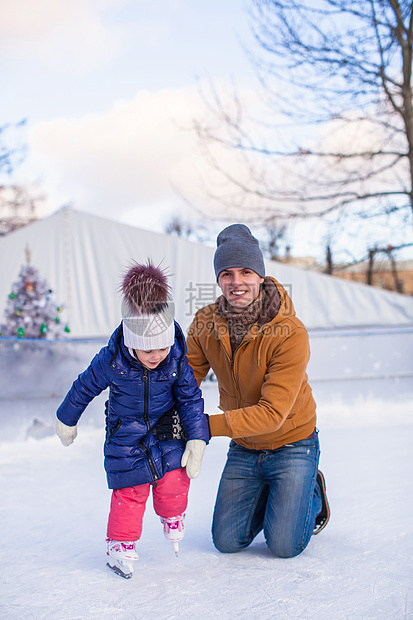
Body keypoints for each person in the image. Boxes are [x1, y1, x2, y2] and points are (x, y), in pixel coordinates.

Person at [156, 224, 330, 558]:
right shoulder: (206, 321)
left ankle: (310, 490)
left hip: (293, 443)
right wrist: (146, 403)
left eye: (246, 271)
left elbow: (272, 413)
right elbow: (185, 378)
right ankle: (276, 494)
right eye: (227, 273)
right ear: (219, 280)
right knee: (227, 541)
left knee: (284, 546)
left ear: (261, 276)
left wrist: (203, 426)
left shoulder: (289, 332)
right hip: (246, 447)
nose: (237, 282)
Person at [55, 261, 210, 578]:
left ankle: (172, 514)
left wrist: (196, 436)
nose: (156, 356)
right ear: (130, 342)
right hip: (125, 435)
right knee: (131, 489)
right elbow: (84, 387)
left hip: (167, 430)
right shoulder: (112, 360)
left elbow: (191, 398)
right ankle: (120, 544)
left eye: (162, 347)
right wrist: (66, 418)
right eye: (146, 349)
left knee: (175, 476)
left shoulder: (176, 359)